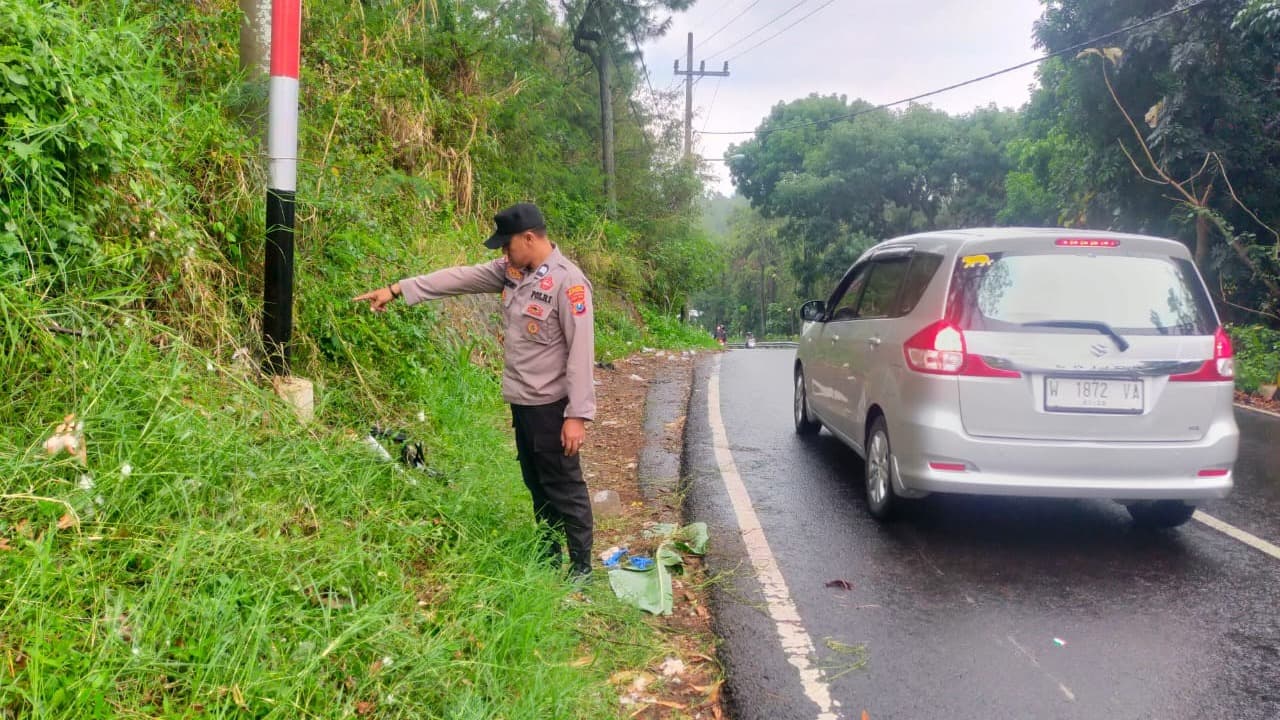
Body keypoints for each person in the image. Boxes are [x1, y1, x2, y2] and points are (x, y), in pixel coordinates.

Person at [353, 202, 596, 581]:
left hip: (553, 408)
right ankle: (548, 555)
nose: (503, 254)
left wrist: (577, 416)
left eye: (507, 245)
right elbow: (458, 278)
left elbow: (581, 353)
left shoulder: (569, 283)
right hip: (523, 405)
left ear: (529, 238)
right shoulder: (513, 273)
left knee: (565, 487)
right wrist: (397, 289)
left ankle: (581, 567)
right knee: (536, 484)